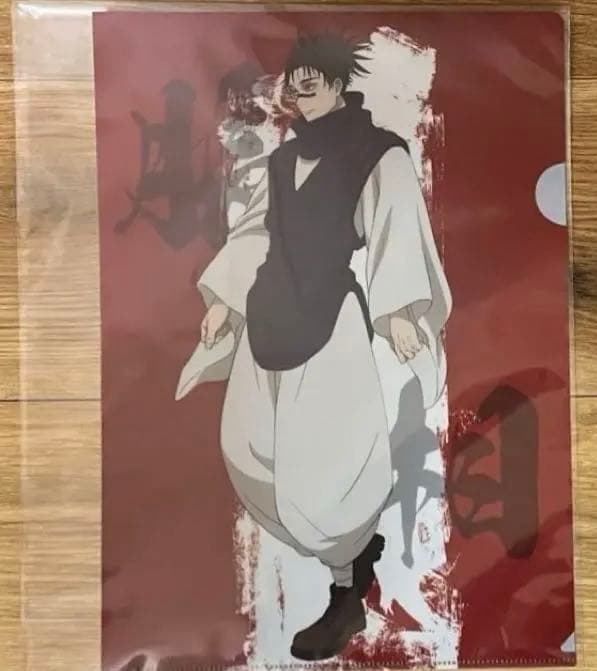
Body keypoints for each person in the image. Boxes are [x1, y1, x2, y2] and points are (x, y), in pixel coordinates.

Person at [176, 32, 451, 661]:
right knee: (248, 451)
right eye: (293, 84)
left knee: (326, 470)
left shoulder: (380, 154)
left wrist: (400, 313)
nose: (299, 94)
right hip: (269, 315)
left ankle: (346, 593)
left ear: (337, 83)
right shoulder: (283, 160)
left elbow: (396, 230)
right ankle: (350, 552)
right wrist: (224, 302)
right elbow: (255, 235)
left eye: (311, 82)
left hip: (330, 325)